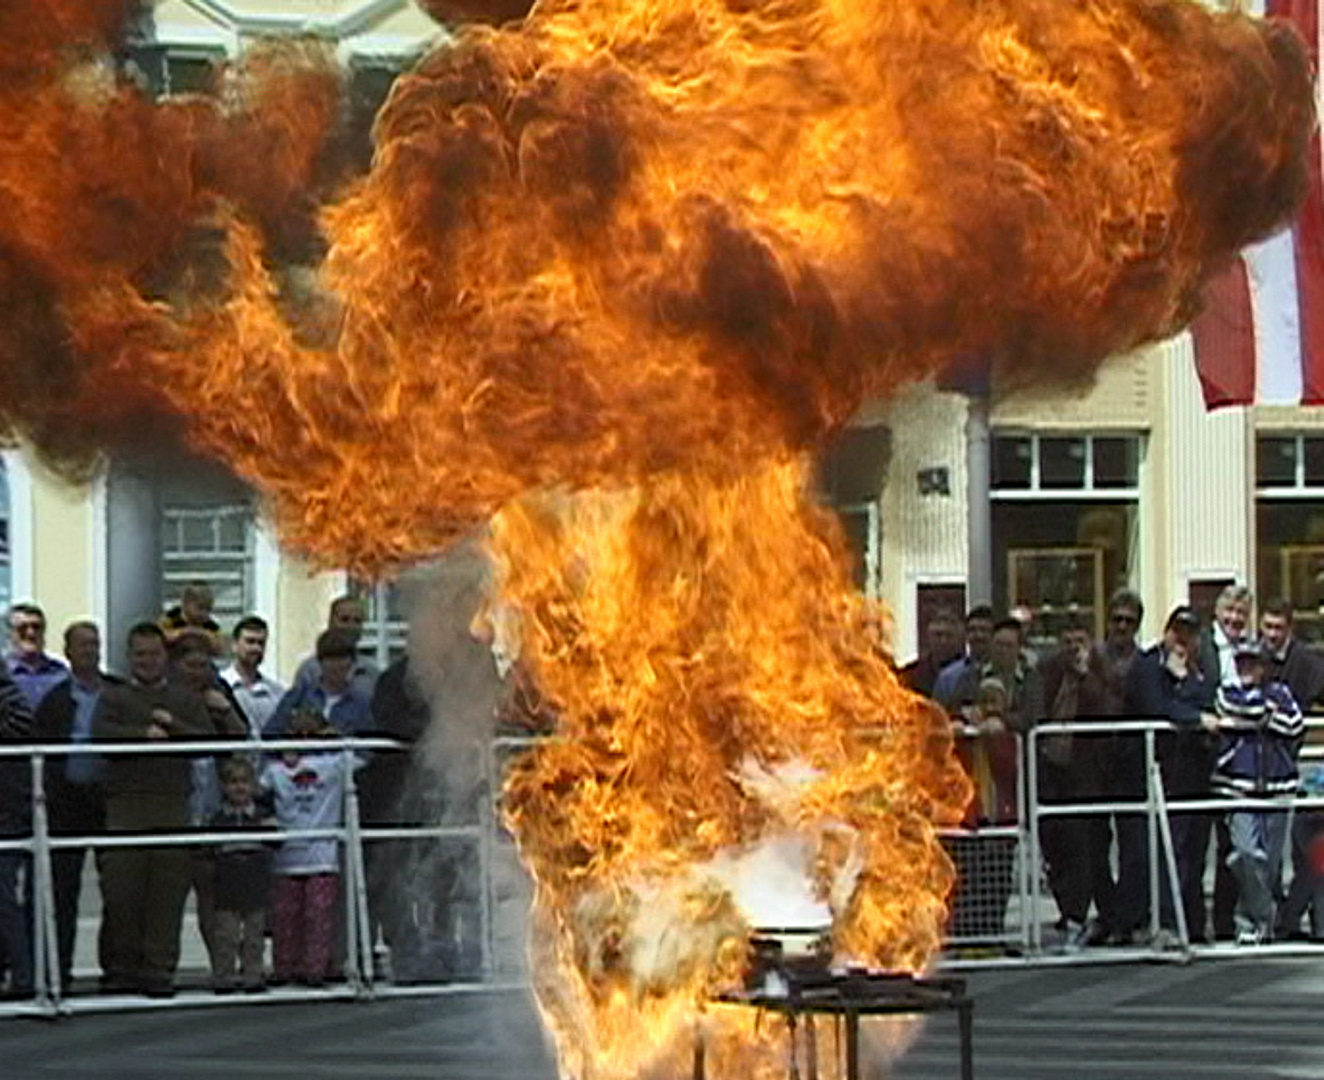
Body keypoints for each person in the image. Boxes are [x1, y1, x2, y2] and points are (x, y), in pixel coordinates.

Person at [92, 622, 218, 996]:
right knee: (122, 893)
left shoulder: (183, 698)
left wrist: (173, 726)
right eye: (140, 654)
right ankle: (122, 968)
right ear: (130, 657)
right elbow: (99, 735)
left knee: (167, 895)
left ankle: (158, 971)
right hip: (124, 810)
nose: (148, 661)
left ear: (166, 657)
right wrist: (140, 735)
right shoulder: (114, 697)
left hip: (171, 810)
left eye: (154, 653)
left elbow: (207, 739)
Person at [30, 621, 120, 989]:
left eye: (95, 643)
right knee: (62, 891)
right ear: (67, 652)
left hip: (110, 799)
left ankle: (116, 971)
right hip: (67, 801)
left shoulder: (118, 692)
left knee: (117, 889)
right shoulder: (54, 699)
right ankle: (57, 973)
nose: (91, 650)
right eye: (83, 645)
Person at [1115, 606, 1209, 945]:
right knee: (1147, 852)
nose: (1182, 642)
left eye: (1189, 636)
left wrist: (1188, 688)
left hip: (1188, 775)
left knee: (1188, 851)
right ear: (1166, 633)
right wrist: (1182, 688)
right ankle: (1148, 922)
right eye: (1177, 634)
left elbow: (1207, 700)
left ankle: (1188, 924)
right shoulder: (1147, 666)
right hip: (1145, 776)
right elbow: (1158, 707)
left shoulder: (1200, 667)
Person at [1208, 642, 1303, 945]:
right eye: (1241, 662)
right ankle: (1262, 915)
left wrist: (1258, 716)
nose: (1246, 667)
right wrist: (1262, 713)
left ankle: (1253, 924)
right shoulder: (1227, 691)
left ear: (1264, 666)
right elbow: (1232, 710)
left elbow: (1293, 724)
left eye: (1253, 662)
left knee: (1270, 864)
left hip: (1278, 788)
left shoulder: (1282, 693)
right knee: (1246, 853)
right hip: (1238, 788)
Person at [171, 630, 248, 974]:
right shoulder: (167, 694)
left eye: (204, 665)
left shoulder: (219, 692)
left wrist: (225, 710)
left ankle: (222, 966)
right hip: (178, 796)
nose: (198, 672)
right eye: (191, 664)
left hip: (213, 796)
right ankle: (163, 966)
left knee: (213, 893)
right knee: (171, 892)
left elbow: (243, 736)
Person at [262, 708, 357, 987]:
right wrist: (282, 753)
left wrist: (334, 737)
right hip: (287, 854)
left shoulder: (337, 763)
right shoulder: (276, 770)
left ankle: (316, 970)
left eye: (311, 732)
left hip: (323, 854)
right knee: (285, 915)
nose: (304, 737)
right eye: (297, 732)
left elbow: (364, 756)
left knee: (319, 915)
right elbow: (256, 787)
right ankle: (285, 969)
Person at [1037, 615, 1113, 948]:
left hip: (1087, 774)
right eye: (1066, 641)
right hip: (1052, 770)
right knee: (1052, 842)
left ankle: (1081, 914)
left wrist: (1087, 678)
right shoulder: (1048, 670)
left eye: (1078, 641)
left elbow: (1111, 710)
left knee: (1084, 846)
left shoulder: (1101, 669)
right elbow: (1035, 710)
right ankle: (1067, 910)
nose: (1072, 648)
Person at [1201, 586, 1254, 942]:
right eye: (1230, 611)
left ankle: (1224, 922)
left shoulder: (1250, 650)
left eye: (1241, 612)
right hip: (1203, 755)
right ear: (1218, 612)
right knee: (1191, 844)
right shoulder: (1203, 645)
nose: (1235, 618)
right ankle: (1189, 923)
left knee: (1232, 845)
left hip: (1239, 763)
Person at [207, 756, 273, 993]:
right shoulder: (218, 819)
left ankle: (252, 975)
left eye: (245, 781)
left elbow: (277, 843)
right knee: (226, 936)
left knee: (254, 936)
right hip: (227, 886)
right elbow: (209, 851)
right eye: (233, 782)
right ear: (224, 787)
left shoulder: (262, 816)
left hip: (255, 884)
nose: (239, 787)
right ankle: (223, 975)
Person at [265, 629, 373, 739]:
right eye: (330, 659)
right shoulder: (299, 696)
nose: (336, 666)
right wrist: (287, 748)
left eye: (342, 659)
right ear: (319, 661)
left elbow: (369, 748)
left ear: (352, 662)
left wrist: (339, 739)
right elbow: (269, 733)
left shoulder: (362, 704)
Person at [0, 663, 34, 998]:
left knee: (4, 898)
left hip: (7, 810)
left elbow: (21, 727)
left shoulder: (10, 695)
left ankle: (23, 977)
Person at [290, 596, 378, 699]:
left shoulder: (371, 673)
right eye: (344, 619)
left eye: (357, 621)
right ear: (330, 622)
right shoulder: (309, 671)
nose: (351, 626)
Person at [220, 615, 285, 740]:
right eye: (250, 641)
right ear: (234, 645)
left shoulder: (277, 692)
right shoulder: (221, 685)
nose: (256, 648)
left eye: (261, 643)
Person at [7, 603, 70, 710]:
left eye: (36, 627)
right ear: (10, 633)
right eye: (22, 628)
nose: (31, 633)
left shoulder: (61, 674)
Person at [933, 606, 995, 711]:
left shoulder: (1005, 671)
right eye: (972, 630)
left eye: (984, 630)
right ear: (966, 635)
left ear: (994, 635)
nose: (978, 635)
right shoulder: (948, 677)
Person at [901, 607, 965, 699]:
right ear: (928, 637)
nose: (943, 641)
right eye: (938, 635)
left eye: (949, 636)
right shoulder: (912, 675)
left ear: (960, 639)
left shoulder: (969, 674)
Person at [159, 582, 223, 654]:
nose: (204, 613)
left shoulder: (211, 625)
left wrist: (202, 633)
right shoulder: (171, 617)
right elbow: (161, 639)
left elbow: (218, 649)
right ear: (185, 604)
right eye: (200, 608)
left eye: (208, 609)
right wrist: (186, 632)